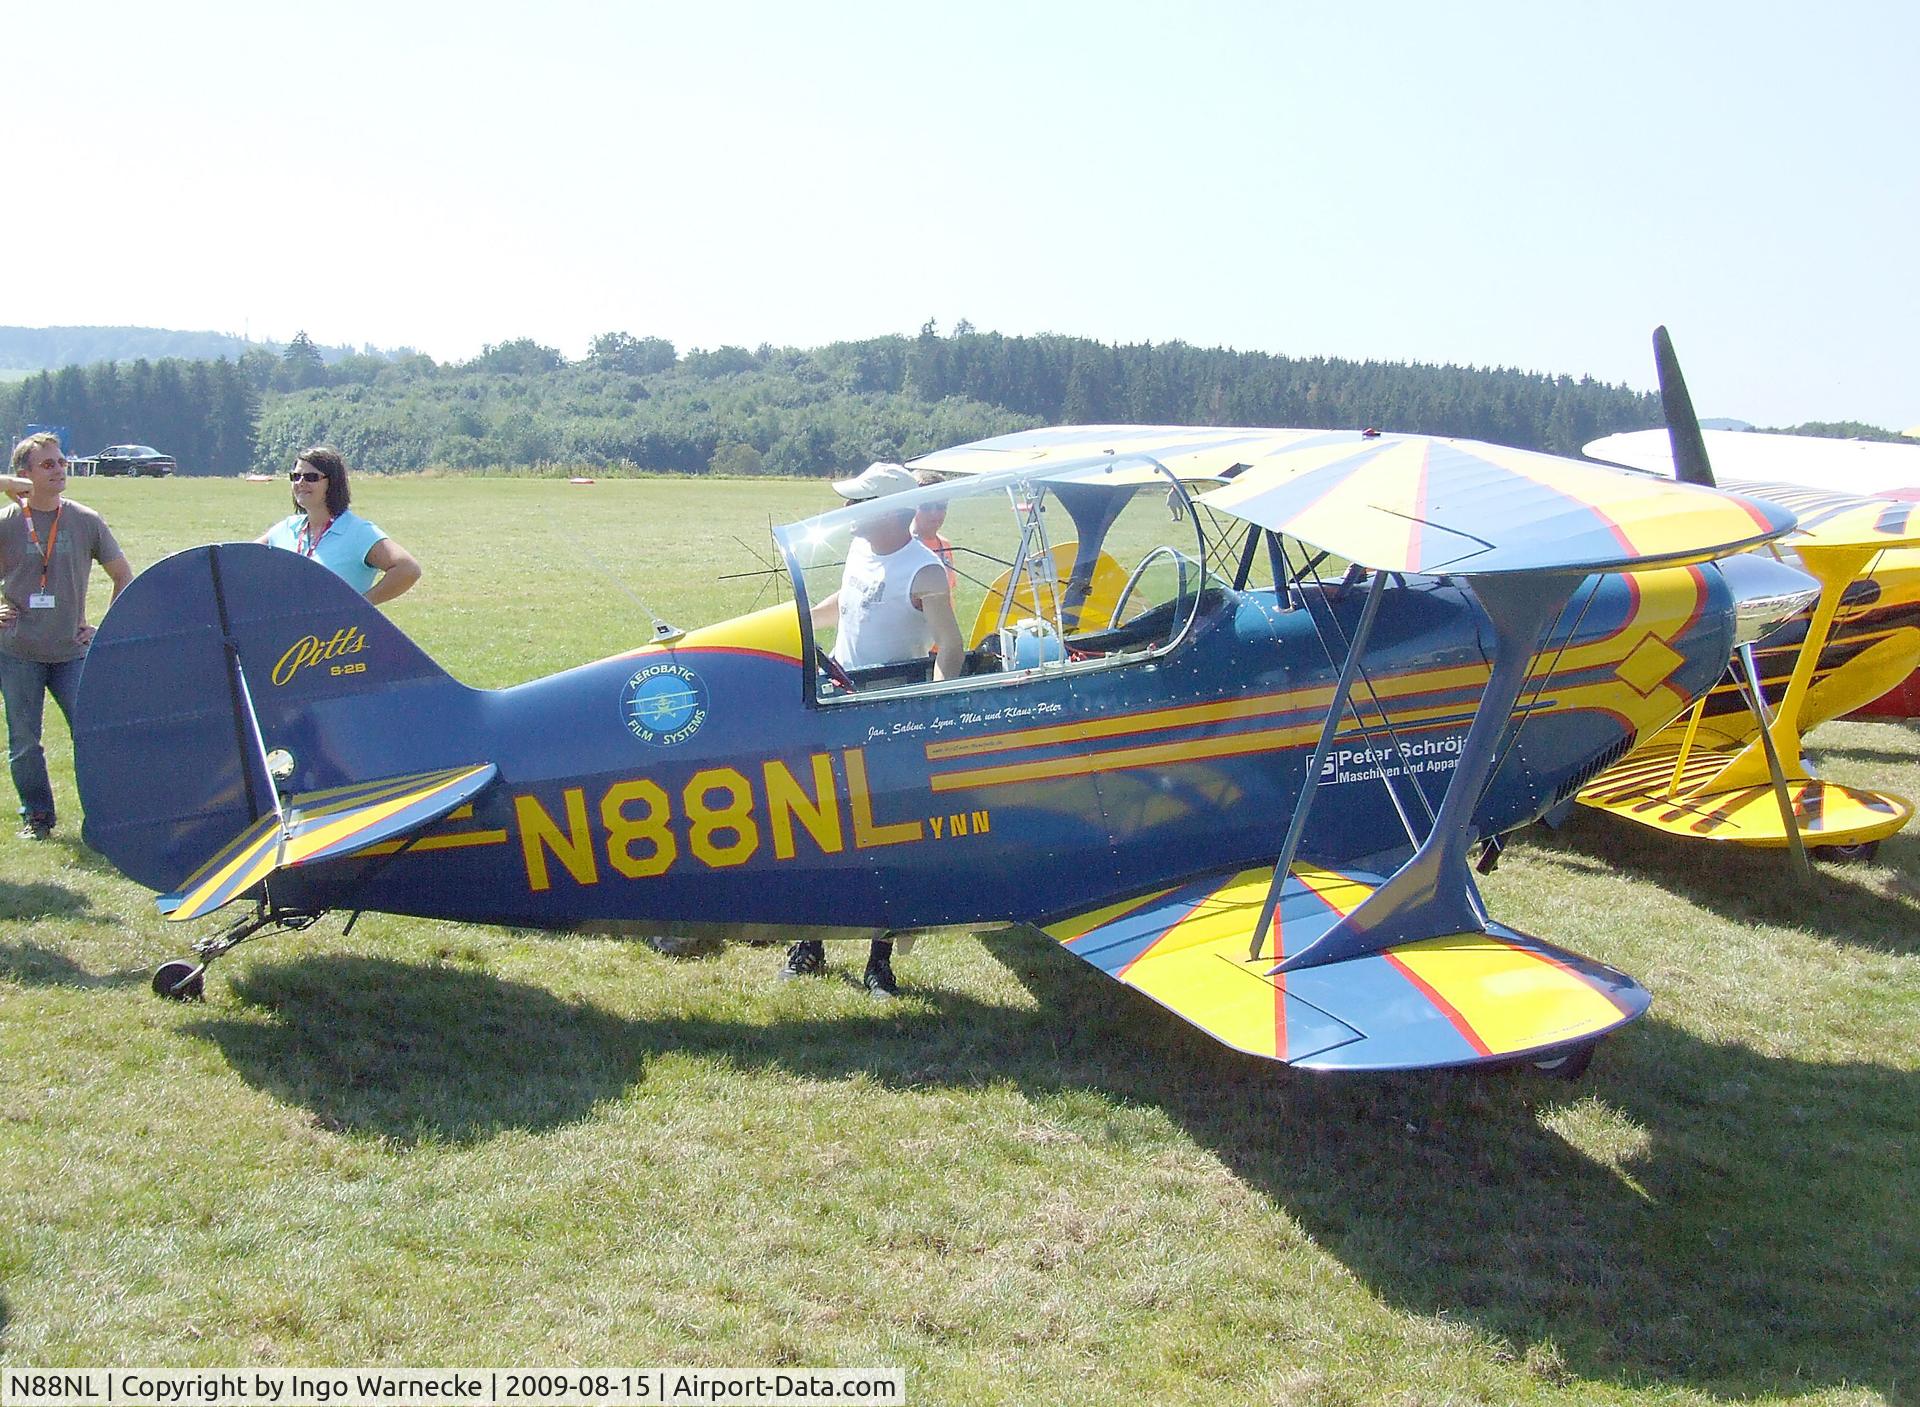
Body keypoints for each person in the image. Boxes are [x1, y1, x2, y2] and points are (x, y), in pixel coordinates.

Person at [782, 462, 965, 997]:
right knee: (820, 827)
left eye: (859, 502)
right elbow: (849, 603)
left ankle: (878, 963)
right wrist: (799, 620)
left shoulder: (925, 570)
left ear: (887, 510)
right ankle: (810, 945)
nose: (847, 511)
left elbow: (949, 644)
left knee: (885, 839)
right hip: (838, 699)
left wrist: (929, 707)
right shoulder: (860, 549)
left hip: (886, 713)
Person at [0, 433, 135, 840]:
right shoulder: (8, 523)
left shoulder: (85, 520)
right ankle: (38, 817)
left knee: (92, 736)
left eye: (61, 463)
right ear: (23, 475)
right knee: (24, 742)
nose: (59, 470)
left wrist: (104, 630)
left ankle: (105, 819)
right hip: (17, 652)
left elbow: (122, 576)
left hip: (71, 654)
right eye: (48, 465)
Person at [258, 446, 421, 603]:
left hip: (334, 631)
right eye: (295, 476)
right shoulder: (285, 529)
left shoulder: (358, 532)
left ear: (333, 483)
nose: (300, 482)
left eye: (311, 477)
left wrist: (361, 606)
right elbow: (241, 561)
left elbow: (408, 569)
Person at [911, 467, 958, 594]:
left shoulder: (945, 545)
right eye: (926, 506)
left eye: (941, 506)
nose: (934, 513)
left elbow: (948, 594)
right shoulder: (904, 547)